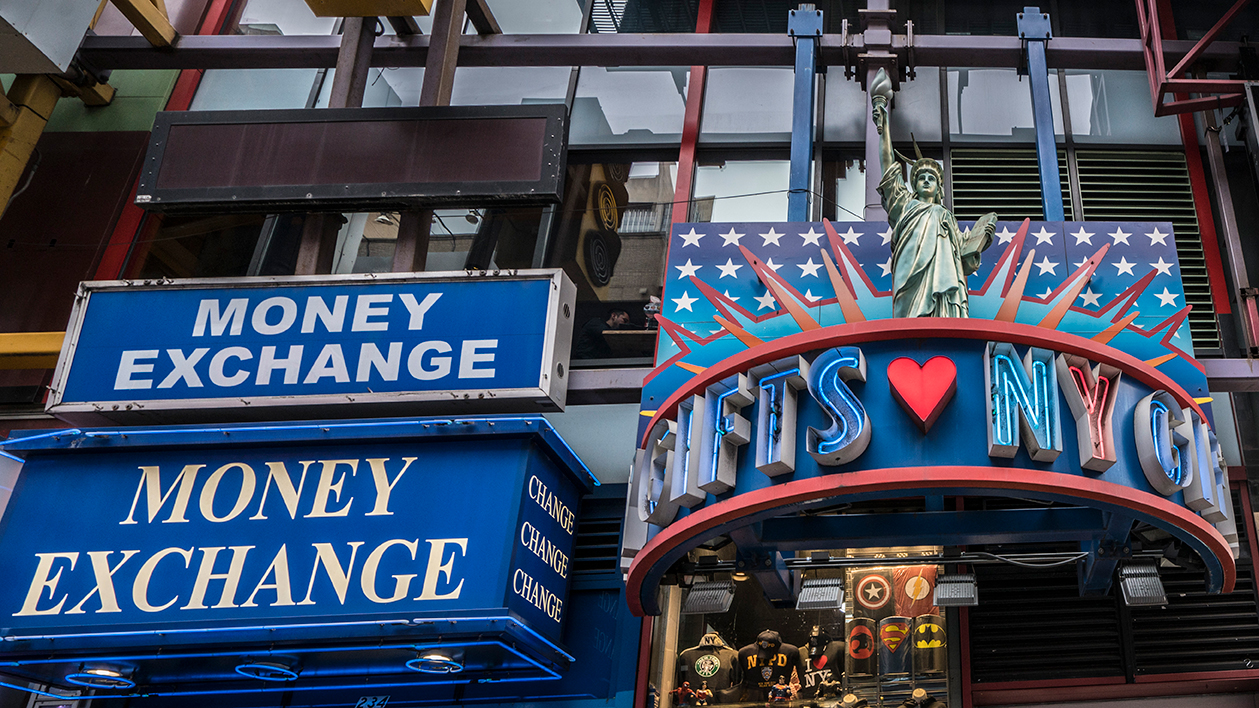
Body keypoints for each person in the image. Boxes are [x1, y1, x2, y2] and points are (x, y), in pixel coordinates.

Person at [871, 68, 996, 318]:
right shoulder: (904, 204)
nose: (926, 181)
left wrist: (982, 240)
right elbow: (887, 164)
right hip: (910, 276)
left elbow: (963, 256)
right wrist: (883, 124)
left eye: (932, 179)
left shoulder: (945, 215)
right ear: (913, 185)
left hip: (944, 282)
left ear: (939, 189)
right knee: (908, 320)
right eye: (921, 178)